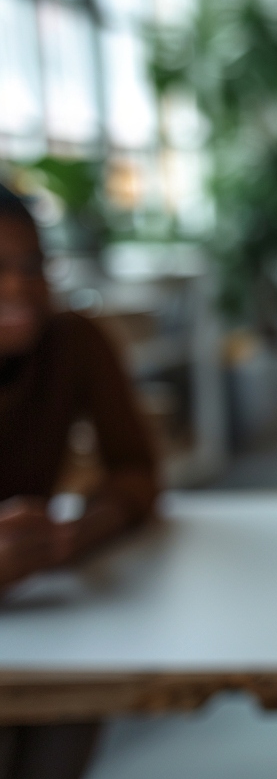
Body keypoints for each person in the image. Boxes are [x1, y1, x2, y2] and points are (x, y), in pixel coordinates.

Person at [0, 185, 160, 779]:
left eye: (32, 267)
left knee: (72, 710)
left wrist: (79, 531)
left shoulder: (72, 342)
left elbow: (138, 472)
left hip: (46, 616)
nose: (18, 286)